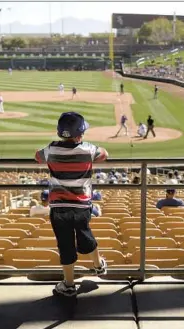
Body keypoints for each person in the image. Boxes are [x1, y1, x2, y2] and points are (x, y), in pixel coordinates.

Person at [34, 112, 108, 297]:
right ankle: (98, 265)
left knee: (65, 244)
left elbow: (37, 156)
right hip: (82, 206)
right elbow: (105, 154)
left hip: (59, 207)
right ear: (80, 133)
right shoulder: (88, 149)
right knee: (85, 234)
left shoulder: (51, 149)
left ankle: (68, 284)